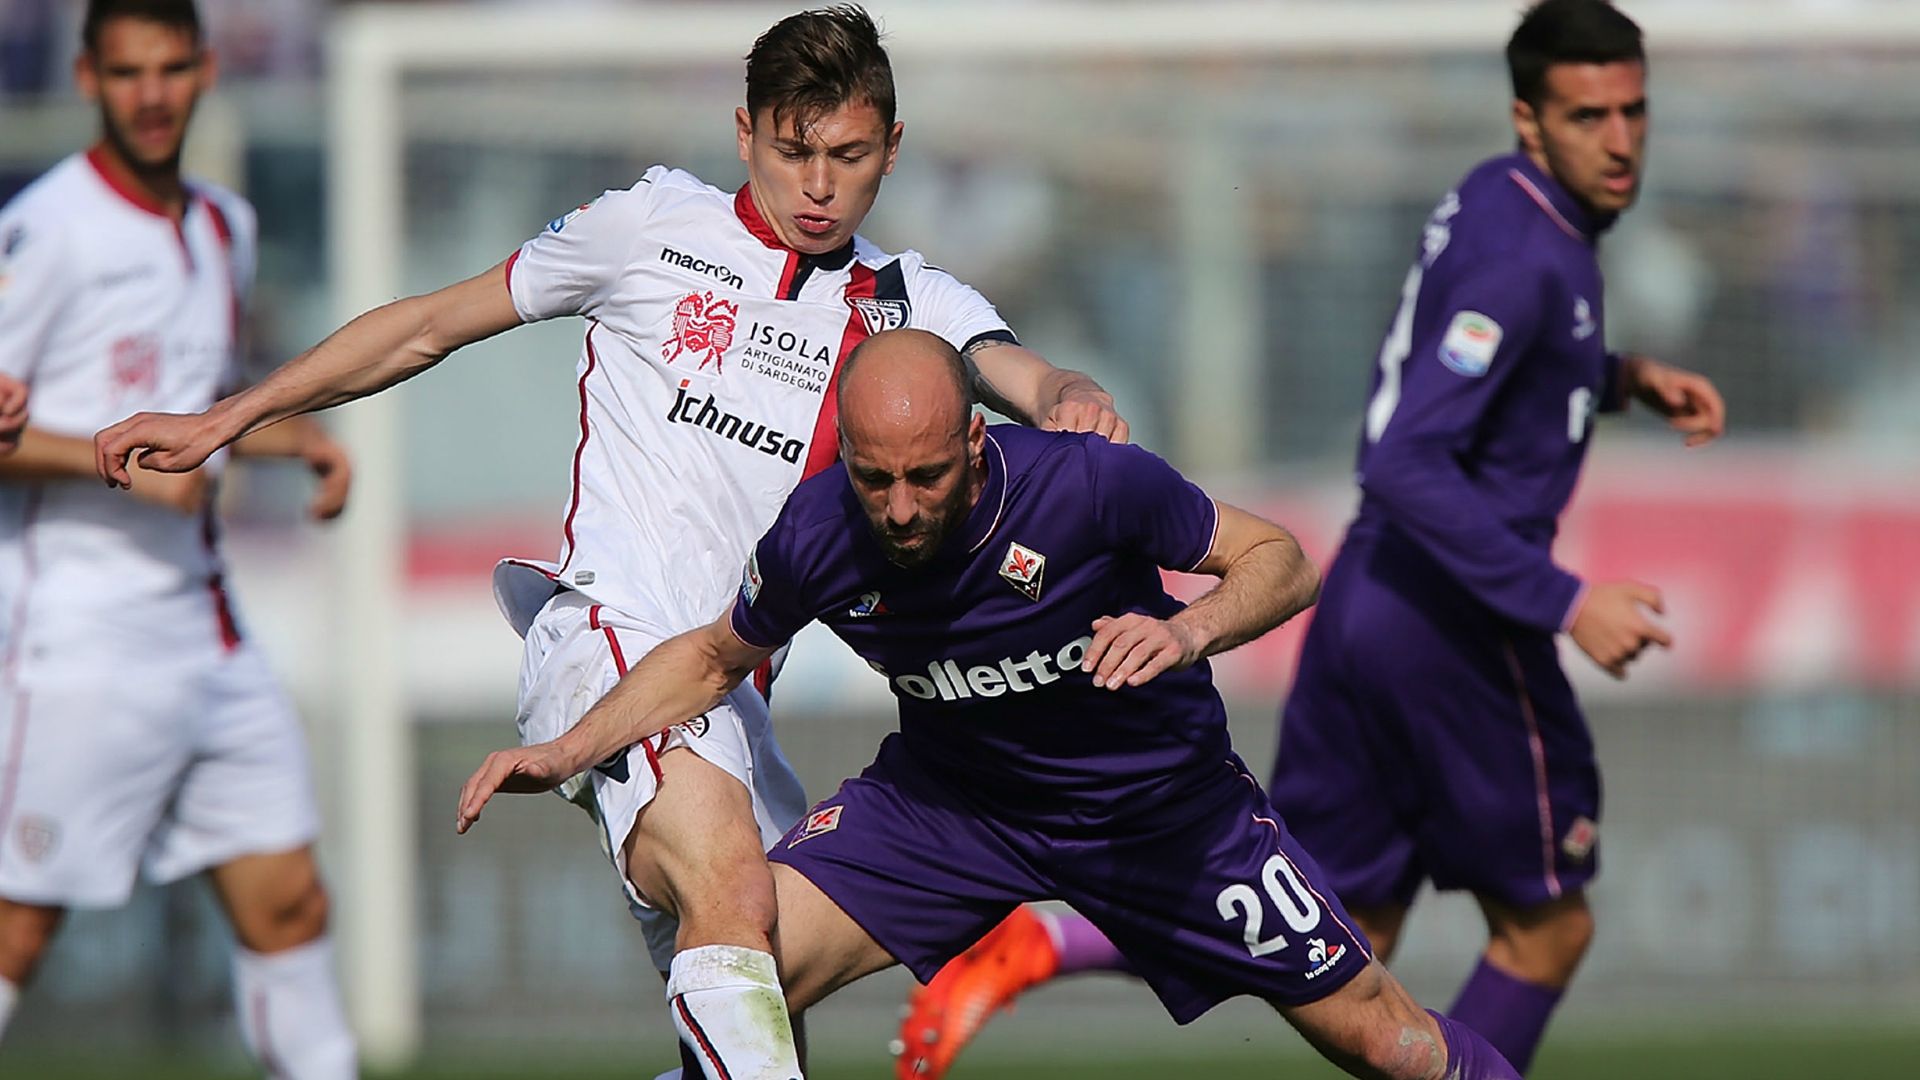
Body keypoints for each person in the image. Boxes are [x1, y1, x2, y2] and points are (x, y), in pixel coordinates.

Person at [96, 7, 1125, 1076]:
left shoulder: (906, 299)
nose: (818, 185)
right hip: (608, 635)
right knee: (730, 898)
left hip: (726, 687)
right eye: (793, 151)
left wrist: (1072, 395)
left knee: (755, 991)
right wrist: (230, 417)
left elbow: (1023, 375)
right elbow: (428, 325)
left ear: (891, 149)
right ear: (745, 134)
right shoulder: (653, 227)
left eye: (849, 155)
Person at [885, 3, 1728, 1076]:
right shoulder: (1528, 255)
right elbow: (1407, 461)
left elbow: (1483, 362)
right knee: (1548, 929)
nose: (1619, 139)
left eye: (1633, 110)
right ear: (1530, 118)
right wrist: (1568, 602)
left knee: (1324, 925)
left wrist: (1622, 378)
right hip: (1459, 624)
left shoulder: (1496, 206)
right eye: (1587, 113)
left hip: (1367, 609)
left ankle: (1048, 934)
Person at [454, 328, 1522, 1080]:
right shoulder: (818, 531)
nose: (902, 510)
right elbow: (710, 660)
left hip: (1165, 813)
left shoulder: (1087, 486)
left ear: (974, 442)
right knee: (740, 980)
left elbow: (1283, 561)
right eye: (876, 480)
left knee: (1393, 1047)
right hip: (951, 810)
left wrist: (1186, 629)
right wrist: (570, 745)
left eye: (924, 476)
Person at [0, 2, 357, 1075]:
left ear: (206, 69)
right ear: (87, 77)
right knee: (20, 929)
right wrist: (114, 466)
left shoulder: (223, 226)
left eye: (170, 69)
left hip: (208, 632)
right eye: (126, 72)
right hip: (79, 632)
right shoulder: (47, 229)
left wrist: (296, 442)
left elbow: (197, 406)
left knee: (290, 901)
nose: (151, 95)